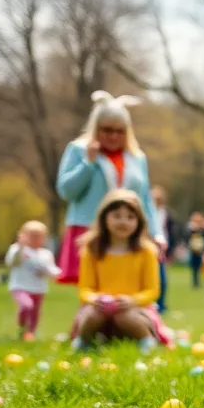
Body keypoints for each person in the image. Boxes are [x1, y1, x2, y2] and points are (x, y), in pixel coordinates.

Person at [56, 91, 161, 285]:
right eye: (107, 130)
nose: (113, 136)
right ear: (96, 128)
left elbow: (144, 199)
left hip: (128, 232)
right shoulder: (78, 150)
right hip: (89, 231)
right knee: (92, 292)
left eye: (119, 131)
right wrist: (88, 163)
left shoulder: (137, 158)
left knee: (129, 286)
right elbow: (66, 191)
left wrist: (156, 233)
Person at [72, 190, 165, 353]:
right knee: (92, 315)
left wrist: (132, 300)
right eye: (116, 215)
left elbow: (152, 291)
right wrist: (95, 299)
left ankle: (146, 342)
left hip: (134, 309)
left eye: (130, 217)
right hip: (100, 309)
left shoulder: (147, 251)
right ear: (104, 218)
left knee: (124, 315)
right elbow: (84, 289)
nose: (123, 222)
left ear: (139, 221)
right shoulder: (92, 250)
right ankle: (84, 343)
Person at [6, 220, 61, 341]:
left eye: (39, 236)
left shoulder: (45, 254)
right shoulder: (17, 249)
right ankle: (22, 328)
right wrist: (20, 247)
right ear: (23, 235)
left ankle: (31, 332)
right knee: (26, 305)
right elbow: (11, 262)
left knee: (35, 312)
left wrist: (61, 275)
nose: (36, 239)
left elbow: (52, 269)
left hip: (38, 288)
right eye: (32, 236)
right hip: (20, 286)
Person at [151, 186, 179, 314]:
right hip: (149, 247)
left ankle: (161, 305)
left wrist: (171, 250)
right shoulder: (147, 212)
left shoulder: (167, 214)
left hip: (162, 248)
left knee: (162, 279)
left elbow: (173, 233)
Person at [185, 213, 204, 289]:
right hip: (193, 251)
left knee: (201, 267)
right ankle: (195, 282)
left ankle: (199, 282)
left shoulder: (203, 230)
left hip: (201, 251)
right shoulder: (190, 230)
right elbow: (187, 239)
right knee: (194, 268)